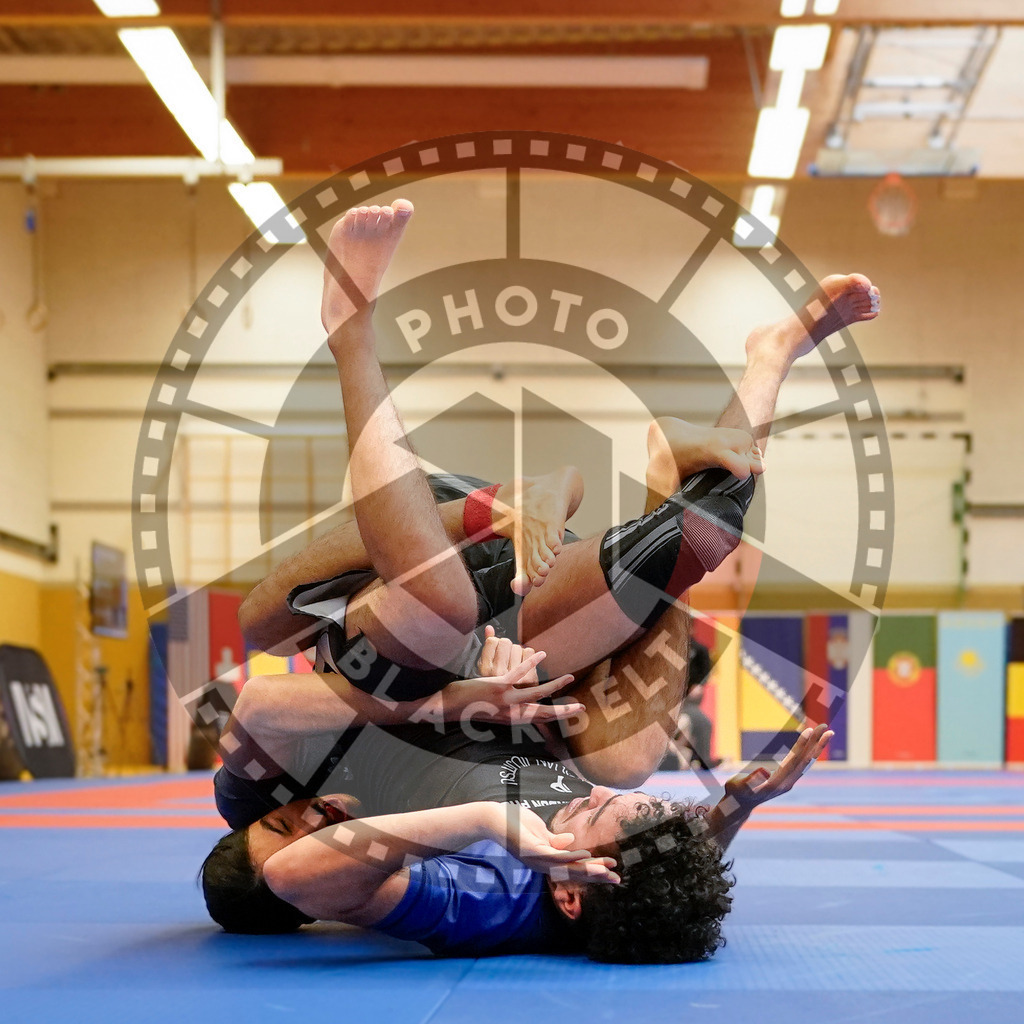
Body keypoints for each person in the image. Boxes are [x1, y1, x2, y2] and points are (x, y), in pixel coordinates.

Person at [235, 198, 880, 787]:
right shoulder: (432, 839)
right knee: (626, 753)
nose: (326, 818)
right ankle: (763, 366)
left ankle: (353, 333)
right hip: (525, 637)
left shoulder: (295, 778)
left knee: (406, 608)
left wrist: (456, 695)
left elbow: (262, 695)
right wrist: (732, 805)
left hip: (449, 578)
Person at [202, 625, 833, 961]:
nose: (584, 799)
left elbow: (290, 878)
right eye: (594, 802)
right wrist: (735, 808)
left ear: (566, 890)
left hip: (423, 701)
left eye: (591, 812)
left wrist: (484, 814)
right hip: (493, 696)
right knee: (632, 762)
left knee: (280, 638)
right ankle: (685, 527)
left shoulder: (493, 896)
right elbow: (658, 861)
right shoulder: (593, 873)